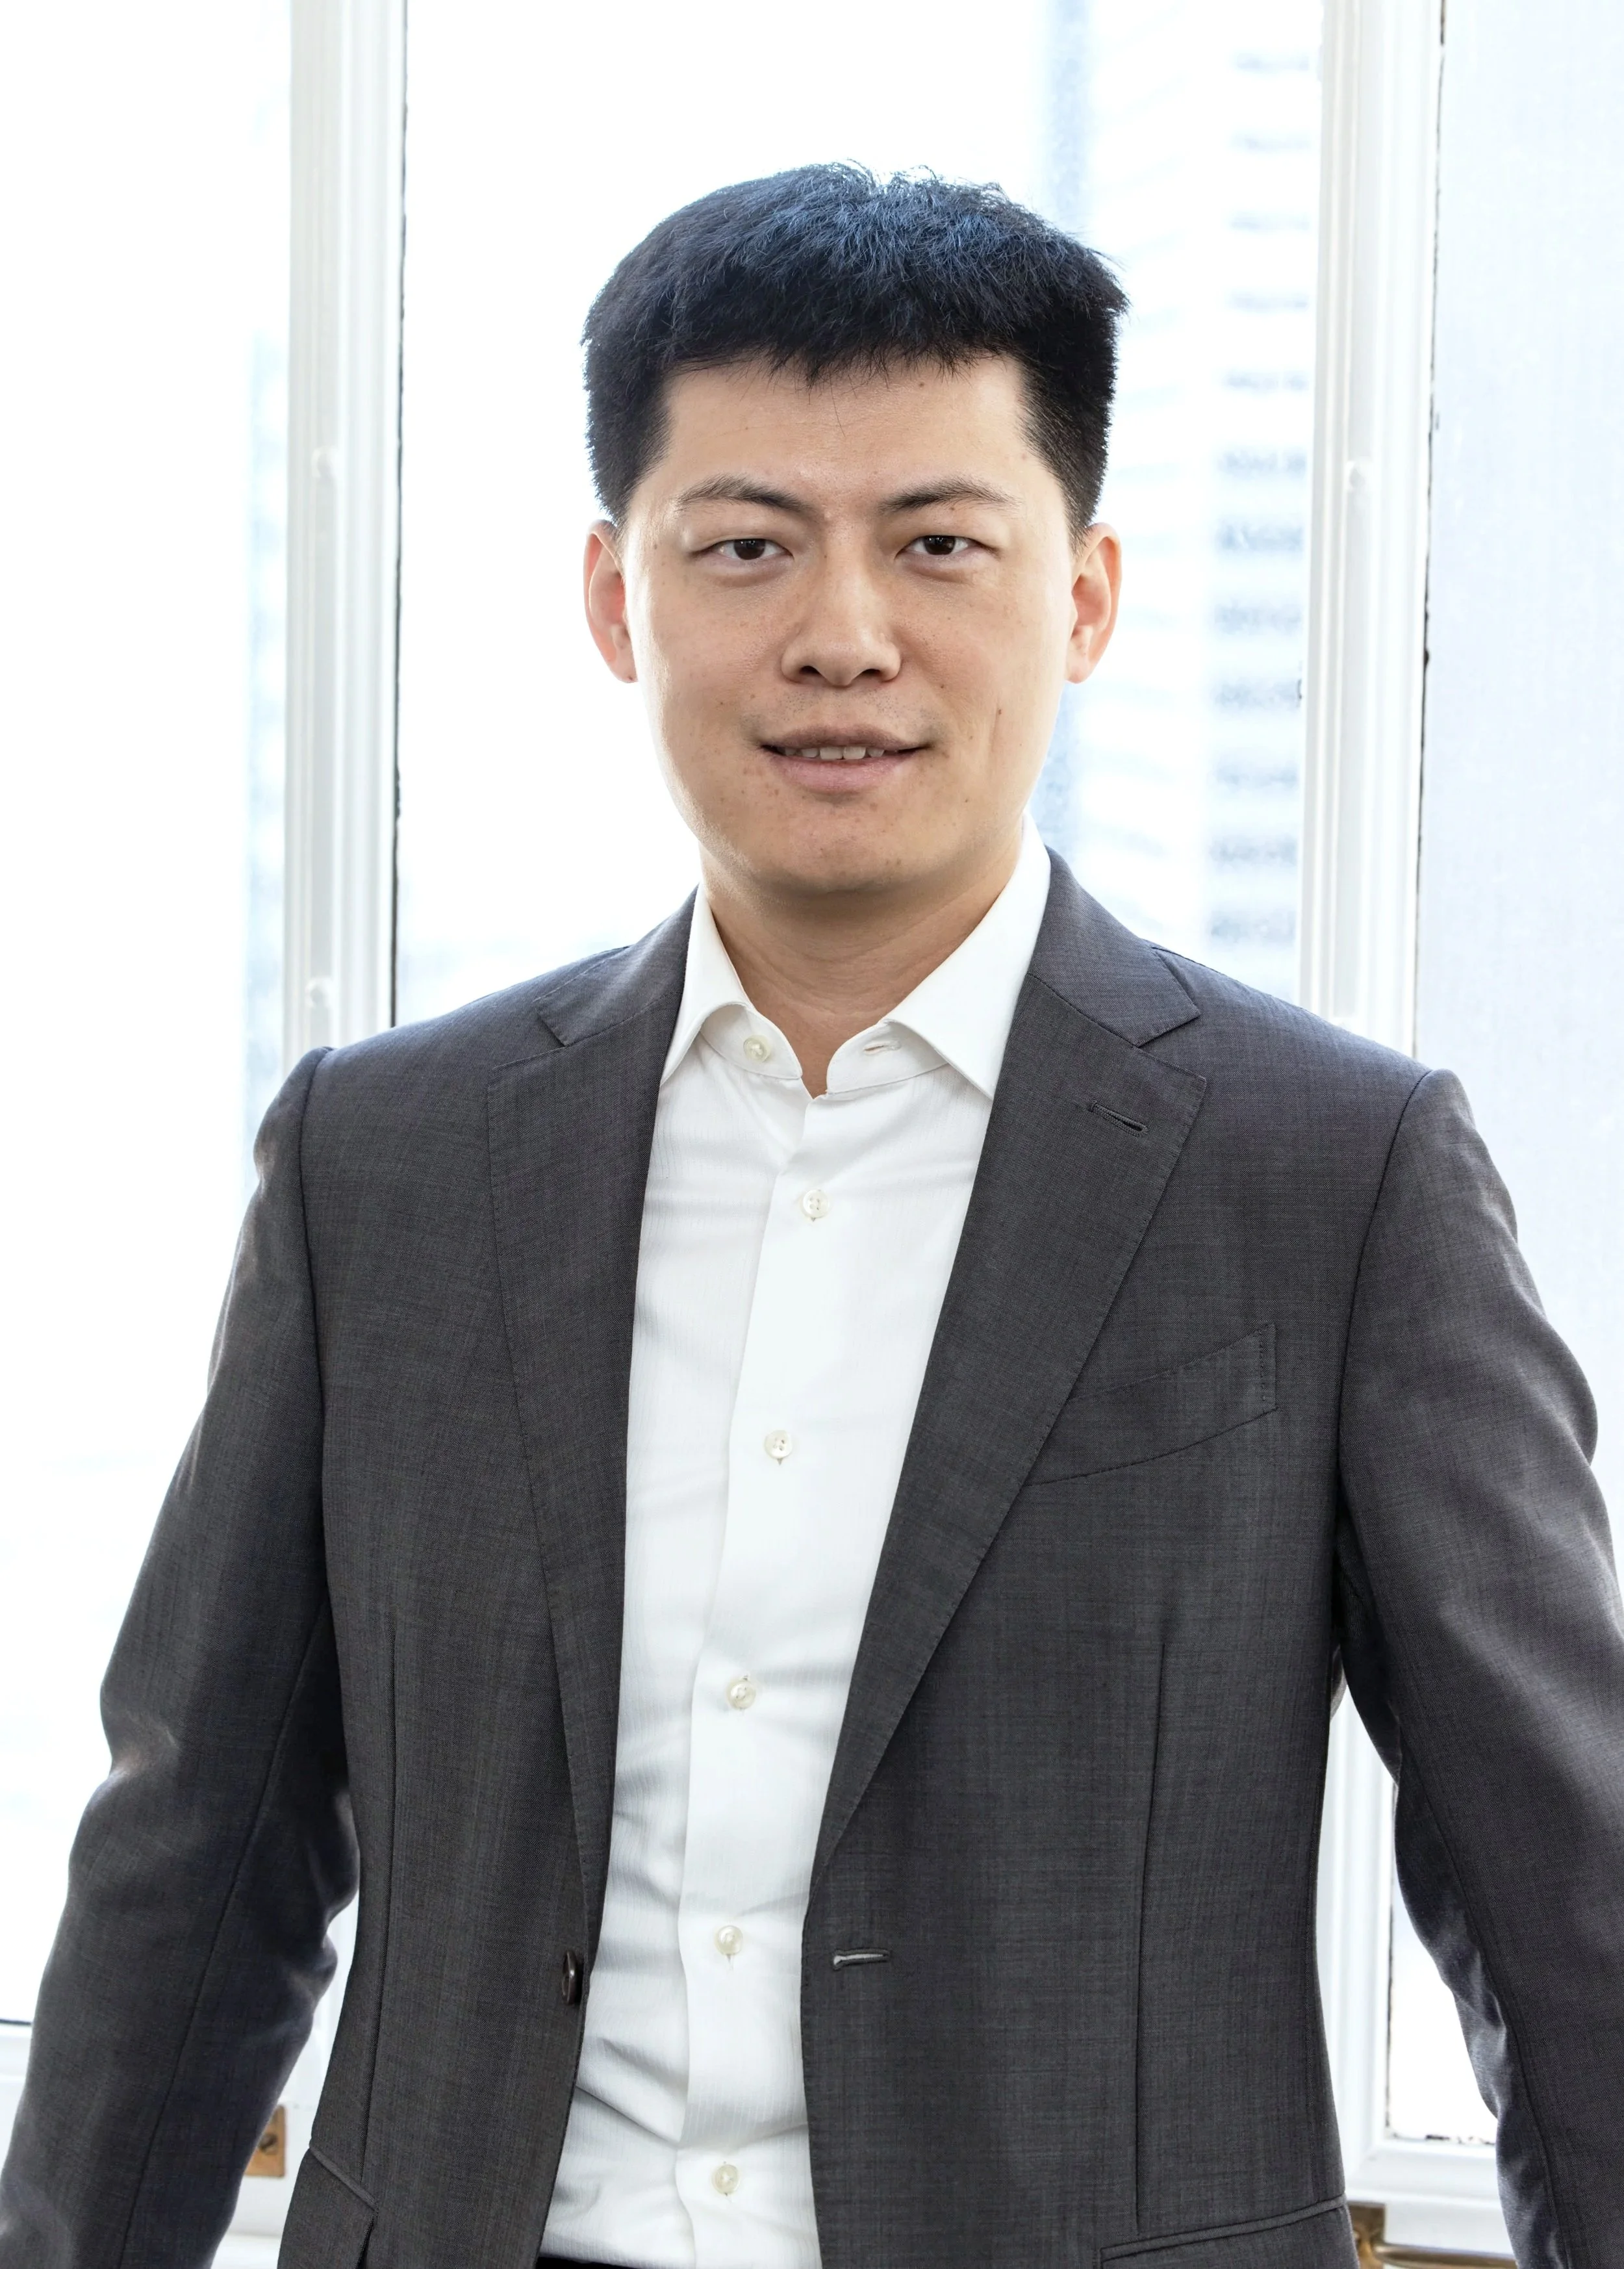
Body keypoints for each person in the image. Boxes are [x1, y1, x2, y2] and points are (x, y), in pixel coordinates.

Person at [2, 164, 1620, 2269]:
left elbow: (1558, 1905)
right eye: (745, 544)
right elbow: (193, 1864)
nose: (840, 633)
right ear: (616, 597)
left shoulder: (1326, 1176)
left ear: (1089, 593)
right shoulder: (379, 1163)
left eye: (939, 544)